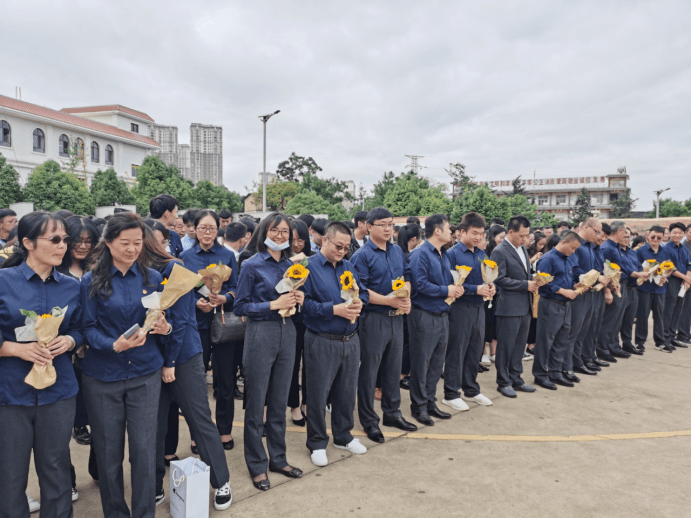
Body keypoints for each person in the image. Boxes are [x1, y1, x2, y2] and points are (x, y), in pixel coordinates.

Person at [80, 212, 171, 517]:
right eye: (125, 243)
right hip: (103, 376)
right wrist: (113, 345)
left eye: (137, 243)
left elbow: (157, 317)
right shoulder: (90, 280)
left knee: (145, 451)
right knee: (109, 453)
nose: (132, 249)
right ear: (107, 243)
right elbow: (87, 327)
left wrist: (163, 327)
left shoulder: (152, 277)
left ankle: (144, 513)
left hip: (145, 374)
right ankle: (115, 513)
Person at [140, 226, 232, 511]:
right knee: (152, 426)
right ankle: (155, 486)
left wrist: (170, 363)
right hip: (150, 359)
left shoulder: (173, 269)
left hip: (182, 355)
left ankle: (221, 480)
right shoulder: (133, 273)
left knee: (198, 418)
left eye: (134, 241)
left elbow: (179, 322)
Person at [0, 211, 82, 518]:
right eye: (55, 239)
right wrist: (15, 349)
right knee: (10, 471)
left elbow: (80, 328)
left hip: (58, 391)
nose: (63, 246)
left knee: (56, 466)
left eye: (65, 240)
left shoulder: (72, 286)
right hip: (10, 393)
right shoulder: (3, 281)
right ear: (28, 243)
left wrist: (70, 342)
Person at [234, 212, 304, 490]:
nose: (280, 236)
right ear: (264, 233)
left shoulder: (292, 265)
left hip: (288, 332)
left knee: (278, 401)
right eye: (274, 231)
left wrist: (298, 298)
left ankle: (278, 457)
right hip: (260, 333)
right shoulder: (251, 265)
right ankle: (257, 464)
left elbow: (295, 297)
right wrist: (272, 305)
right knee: (256, 403)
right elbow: (240, 307)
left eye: (285, 232)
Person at [302, 221, 366, 467]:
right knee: (318, 394)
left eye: (346, 247)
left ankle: (343, 435)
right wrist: (334, 310)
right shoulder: (307, 266)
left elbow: (359, 293)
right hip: (321, 338)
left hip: (350, 338)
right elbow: (304, 305)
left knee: (347, 391)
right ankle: (317, 441)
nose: (342, 251)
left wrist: (359, 304)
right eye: (338, 246)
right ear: (324, 241)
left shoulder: (348, 266)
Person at [351, 208, 417, 444]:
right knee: (369, 372)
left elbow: (407, 274)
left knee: (392, 369)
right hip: (374, 319)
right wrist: (389, 300)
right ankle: (369, 421)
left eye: (391, 224)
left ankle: (392, 413)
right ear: (369, 226)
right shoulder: (362, 256)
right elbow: (359, 291)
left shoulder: (397, 250)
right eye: (383, 224)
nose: (388, 229)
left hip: (397, 318)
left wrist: (405, 295)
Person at [179, 210, 239, 450]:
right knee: (197, 381)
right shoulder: (184, 256)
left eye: (211, 228)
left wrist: (224, 297)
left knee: (225, 379)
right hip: (196, 325)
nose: (207, 232)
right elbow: (180, 289)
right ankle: (198, 432)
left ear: (218, 230)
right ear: (194, 229)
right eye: (202, 228)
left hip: (223, 324)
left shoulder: (228, 255)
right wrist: (196, 302)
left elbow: (236, 287)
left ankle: (224, 430)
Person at [408, 214, 461, 425]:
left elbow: (448, 281)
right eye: (449, 229)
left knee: (436, 363)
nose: (452, 233)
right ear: (437, 231)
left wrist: (455, 288)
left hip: (442, 315)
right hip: (424, 315)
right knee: (422, 363)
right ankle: (418, 406)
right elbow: (419, 285)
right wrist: (446, 289)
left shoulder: (444, 254)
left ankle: (430, 402)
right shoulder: (420, 254)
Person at [443, 212, 494, 412]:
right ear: (461, 232)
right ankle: (451, 393)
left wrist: (491, 287)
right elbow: (449, 283)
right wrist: (475, 289)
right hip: (459, 308)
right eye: (474, 233)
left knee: (475, 349)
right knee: (457, 350)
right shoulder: (452, 254)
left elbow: (489, 277)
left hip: (479, 308)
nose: (478, 237)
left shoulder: (482, 254)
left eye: (481, 234)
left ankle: (471, 389)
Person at [491, 216, 537, 398]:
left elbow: (525, 273)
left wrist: (535, 280)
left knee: (519, 345)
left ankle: (516, 378)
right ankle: (503, 381)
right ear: (510, 232)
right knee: (506, 346)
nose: (525, 239)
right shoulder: (499, 251)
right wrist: (525, 284)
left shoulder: (522, 249)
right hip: (509, 306)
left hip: (524, 304)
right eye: (522, 235)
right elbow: (498, 278)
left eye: (527, 235)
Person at [532, 231, 581, 390]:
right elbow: (541, 282)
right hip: (551, 303)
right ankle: (540, 374)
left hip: (565, 304)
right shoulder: (548, 259)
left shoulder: (567, 258)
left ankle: (555, 371)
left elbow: (568, 279)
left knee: (561, 340)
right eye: (572, 248)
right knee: (545, 341)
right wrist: (562, 290)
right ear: (565, 242)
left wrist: (574, 286)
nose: (573, 251)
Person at [565, 218, 608, 378]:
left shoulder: (591, 246)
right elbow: (575, 270)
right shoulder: (576, 244)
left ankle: (578, 361)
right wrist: (597, 278)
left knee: (583, 331)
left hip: (589, 292)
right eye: (597, 232)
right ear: (586, 227)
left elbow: (595, 268)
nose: (598, 236)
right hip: (577, 292)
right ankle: (567, 366)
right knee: (573, 331)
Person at [287, 219, 314, 426]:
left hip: (311, 317)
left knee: (311, 364)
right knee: (293, 363)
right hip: (290, 318)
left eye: (301, 240)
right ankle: (294, 406)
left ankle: (307, 403)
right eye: (293, 240)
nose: (297, 244)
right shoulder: (284, 260)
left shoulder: (313, 260)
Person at [596, 221, 633, 362]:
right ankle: (602, 349)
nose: (626, 235)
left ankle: (613, 346)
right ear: (618, 232)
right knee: (609, 320)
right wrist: (607, 291)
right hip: (611, 286)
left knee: (616, 320)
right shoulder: (607, 248)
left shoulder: (615, 247)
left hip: (618, 284)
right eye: (625, 232)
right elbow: (603, 271)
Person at [635, 225, 672, 352]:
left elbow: (669, 268)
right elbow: (637, 268)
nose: (655, 239)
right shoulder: (640, 251)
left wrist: (665, 277)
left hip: (660, 289)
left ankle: (660, 342)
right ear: (648, 236)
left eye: (658, 237)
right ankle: (640, 342)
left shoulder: (666, 251)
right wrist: (645, 274)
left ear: (663, 237)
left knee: (659, 316)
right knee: (642, 315)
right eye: (653, 237)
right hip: (645, 288)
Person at [396, 224, 422, 389]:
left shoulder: (398, 254)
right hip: (406, 304)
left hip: (401, 302)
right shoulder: (409, 257)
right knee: (407, 341)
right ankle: (403, 374)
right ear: (414, 239)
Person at [618, 227, 648, 356]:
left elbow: (638, 266)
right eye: (624, 236)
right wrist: (637, 274)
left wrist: (643, 275)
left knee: (630, 319)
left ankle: (627, 343)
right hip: (622, 287)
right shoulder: (616, 251)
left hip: (634, 288)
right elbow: (627, 270)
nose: (626, 239)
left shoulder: (631, 252)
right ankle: (613, 345)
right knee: (618, 319)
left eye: (628, 237)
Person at [662, 223, 691, 350]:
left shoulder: (684, 249)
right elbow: (669, 268)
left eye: (680, 233)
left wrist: (687, 279)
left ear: (684, 234)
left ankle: (672, 337)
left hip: (683, 283)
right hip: (671, 282)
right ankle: (664, 338)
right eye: (675, 232)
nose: (677, 235)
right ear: (669, 233)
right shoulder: (666, 249)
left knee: (678, 310)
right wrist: (686, 278)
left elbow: (689, 265)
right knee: (668, 310)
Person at [675, 225, 691, 345]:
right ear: (686, 233)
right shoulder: (684, 246)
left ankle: (686, 333)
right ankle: (682, 335)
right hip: (686, 281)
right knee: (685, 309)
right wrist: (687, 279)